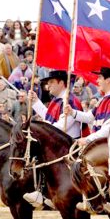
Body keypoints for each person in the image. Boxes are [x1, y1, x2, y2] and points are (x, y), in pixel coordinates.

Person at [23, 70, 85, 208]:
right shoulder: (57, 101)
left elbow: (60, 127)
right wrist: (35, 102)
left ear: (62, 83)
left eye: (51, 82)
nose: (47, 86)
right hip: (58, 142)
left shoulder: (69, 101)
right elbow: (49, 117)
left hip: (69, 143)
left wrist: (42, 128)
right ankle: (43, 191)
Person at [64, 67, 110, 147]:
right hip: (100, 145)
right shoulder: (103, 99)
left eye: (99, 78)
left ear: (108, 80)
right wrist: (72, 112)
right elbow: (89, 117)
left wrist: (88, 139)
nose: (97, 81)